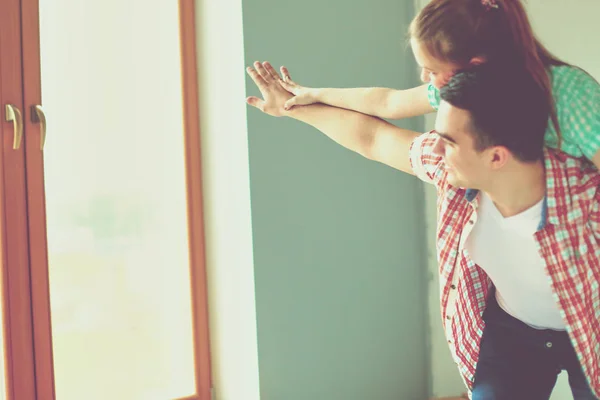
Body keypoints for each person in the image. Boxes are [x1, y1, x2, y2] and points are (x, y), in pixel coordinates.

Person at [245, 60, 600, 398]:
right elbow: (373, 138)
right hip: (514, 330)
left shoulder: (585, 203)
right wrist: (292, 107)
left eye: (449, 141)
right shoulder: (453, 171)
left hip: (592, 329)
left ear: (496, 156)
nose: (436, 147)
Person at [275, 0, 600, 171]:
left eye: (431, 71)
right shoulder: (461, 104)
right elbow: (387, 104)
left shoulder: (568, 93)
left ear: (475, 67)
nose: (424, 80)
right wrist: (312, 95)